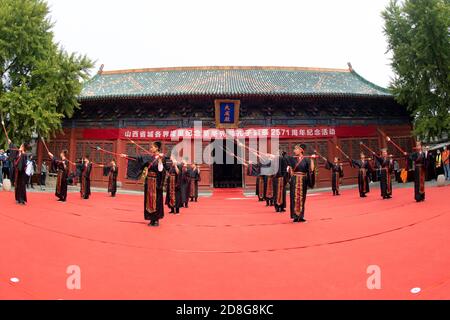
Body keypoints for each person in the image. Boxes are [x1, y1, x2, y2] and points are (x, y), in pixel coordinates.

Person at [135, 142, 166, 227]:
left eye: (152, 147)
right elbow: (139, 160)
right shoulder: (150, 158)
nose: (150, 148)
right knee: (149, 200)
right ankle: (151, 219)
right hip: (149, 182)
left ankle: (156, 220)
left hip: (156, 182)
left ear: (156, 148)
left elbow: (161, 170)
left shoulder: (162, 158)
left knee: (156, 200)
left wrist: (160, 160)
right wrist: (126, 156)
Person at [286, 144, 315, 223]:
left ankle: (301, 216)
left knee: (302, 198)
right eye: (294, 149)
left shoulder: (306, 159)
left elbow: (311, 169)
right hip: (295, 179)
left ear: (301, 150)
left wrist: (312, 159)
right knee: (294, 197)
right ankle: (295, 216)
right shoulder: (292, 159)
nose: (294, 151)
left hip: (303, 180)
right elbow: (284, 159)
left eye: (296, 149)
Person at [11, 140, 30, 205]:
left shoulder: (24, 155)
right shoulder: (18, 153)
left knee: (21, 185)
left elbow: (23, 164)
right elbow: (13, 149)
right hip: (17, 172)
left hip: (22, 172)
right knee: (17, 185)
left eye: (21, 146)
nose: (20, 146)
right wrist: (10, 142)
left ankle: (22, 199)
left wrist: (21, 153)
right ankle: (17, 198)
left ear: (23, 147)